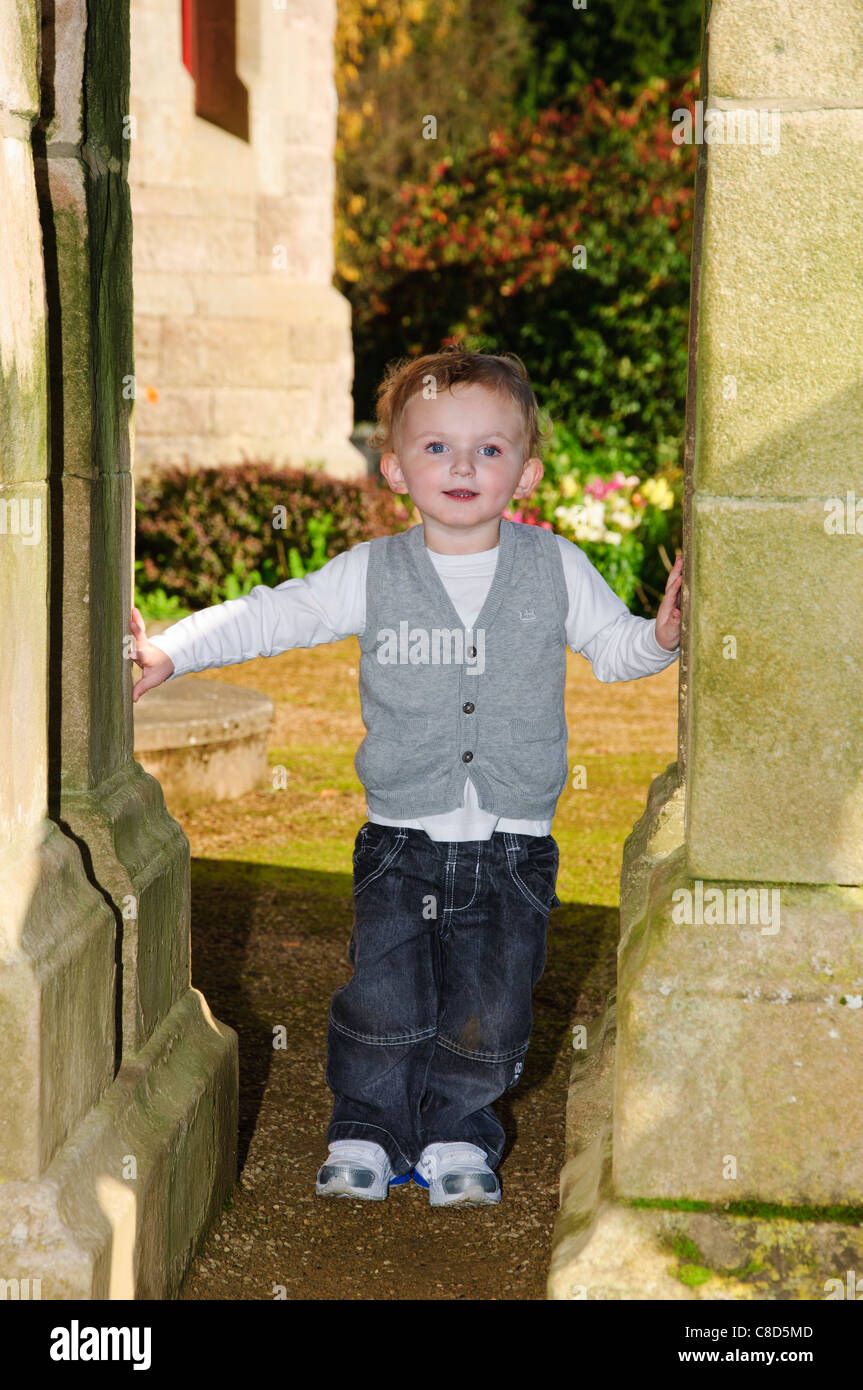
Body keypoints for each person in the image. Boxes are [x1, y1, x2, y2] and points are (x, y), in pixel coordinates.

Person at [131, 347, 682, 1208]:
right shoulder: (372, 572)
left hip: (513, 848)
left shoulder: (556, 568)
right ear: (393, 467)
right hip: (400, 841)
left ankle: (460, 1132)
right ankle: (368, 1126)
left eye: (489, 449)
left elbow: (616, 652)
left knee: (490, 1010)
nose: (462, 466)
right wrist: (173, 647)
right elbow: (273, 612)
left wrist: (663, 633)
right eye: (435, 448)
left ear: (526, 471)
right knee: (383, 996)